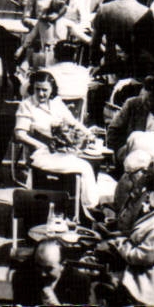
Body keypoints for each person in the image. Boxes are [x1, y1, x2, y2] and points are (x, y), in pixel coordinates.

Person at [16, 70, 107, 210]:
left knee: (89, 163)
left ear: (52, 89)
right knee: (86, 168)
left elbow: (72, 121)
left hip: (62, 151)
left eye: (45, 90)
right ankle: (89, 207)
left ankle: (76, 203)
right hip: (41, 153)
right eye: (37, 89)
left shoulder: (56, 102)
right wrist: (39, 145)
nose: (41, 94)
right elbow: (20, 134)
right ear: (32, 88)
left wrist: (88, 134)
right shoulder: (27, 105)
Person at [101, 170, 154, 305]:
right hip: (133, 267)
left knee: (91, 277)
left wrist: (119, 243)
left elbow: (142, 257)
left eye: (150, 193)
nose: (147, 197)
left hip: (140, 281)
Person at [11, 237, 90, 307]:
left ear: (63, 265)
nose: (42, 273)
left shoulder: (79, 282)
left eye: (48, 269)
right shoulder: (22, 277)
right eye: (39, 267)